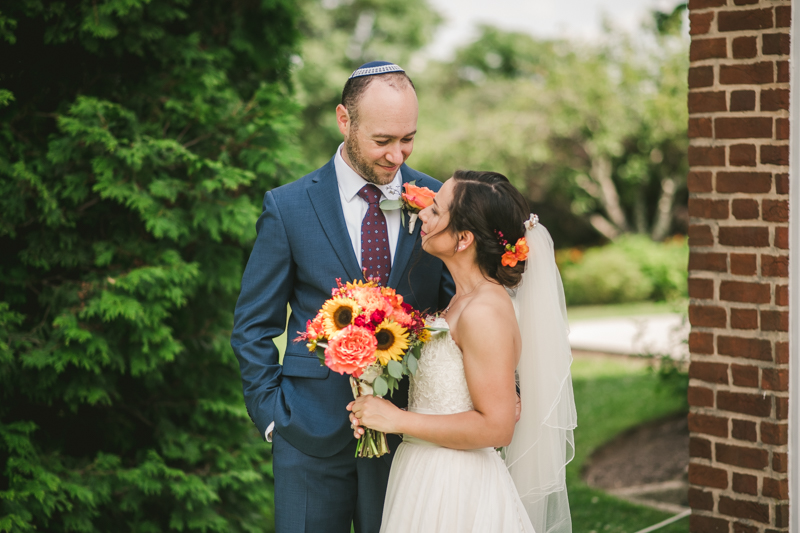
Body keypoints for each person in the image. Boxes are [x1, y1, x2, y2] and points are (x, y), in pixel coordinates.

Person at [230, 61, 454, 533]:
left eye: (408, 138)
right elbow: (253, 326)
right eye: (382, 140)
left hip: (411, 439)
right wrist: (273, 417)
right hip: (308, 436)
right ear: (344, 120)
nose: (397, 155)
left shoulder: (440, 202)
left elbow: (464, 309)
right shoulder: (288, 207)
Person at [348, 170, 577, 533]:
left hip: (456, 488)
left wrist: (396, 420)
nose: (422, 214)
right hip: (424, 473)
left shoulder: (484, 311)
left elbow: (497, 427)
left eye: (436, 211)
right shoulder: (461, 300)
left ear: (464, 239)